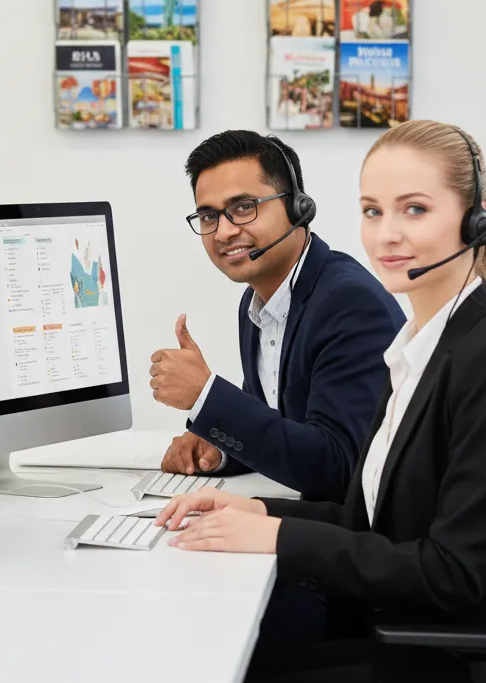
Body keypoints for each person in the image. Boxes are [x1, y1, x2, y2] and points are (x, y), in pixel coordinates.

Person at [156, 121, 486, 683]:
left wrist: (279, 538)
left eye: (414, 209)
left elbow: (452, 573)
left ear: (476, 223)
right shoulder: (419, 351)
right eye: (372, 211)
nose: (386, 234)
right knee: (208, 680)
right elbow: (369, 518)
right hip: (404, 651)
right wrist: (259, 515)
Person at [150, 131, 405, 503]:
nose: (223, 231)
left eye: (243, 207)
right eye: (208, 215)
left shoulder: (348, 302)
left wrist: (205, 396)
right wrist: (218, 445)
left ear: (298, 207)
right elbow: (280, 426)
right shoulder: (258, 302)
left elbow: (339, 467)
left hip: (366, 537)